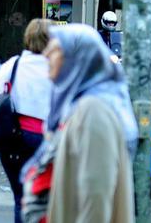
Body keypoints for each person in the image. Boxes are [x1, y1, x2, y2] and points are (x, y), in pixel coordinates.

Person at [21, 24, 137, 223]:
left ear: (77, 59)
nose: (46, 53)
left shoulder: (93, 109)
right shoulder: (77, 104)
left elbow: (96, 194)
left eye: (56, 49)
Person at [0, 18, 53, 223]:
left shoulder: (15, 64)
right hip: (47, 139)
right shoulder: (58, 67)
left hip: (14, 140)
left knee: (20, 197)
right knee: (47, 196)